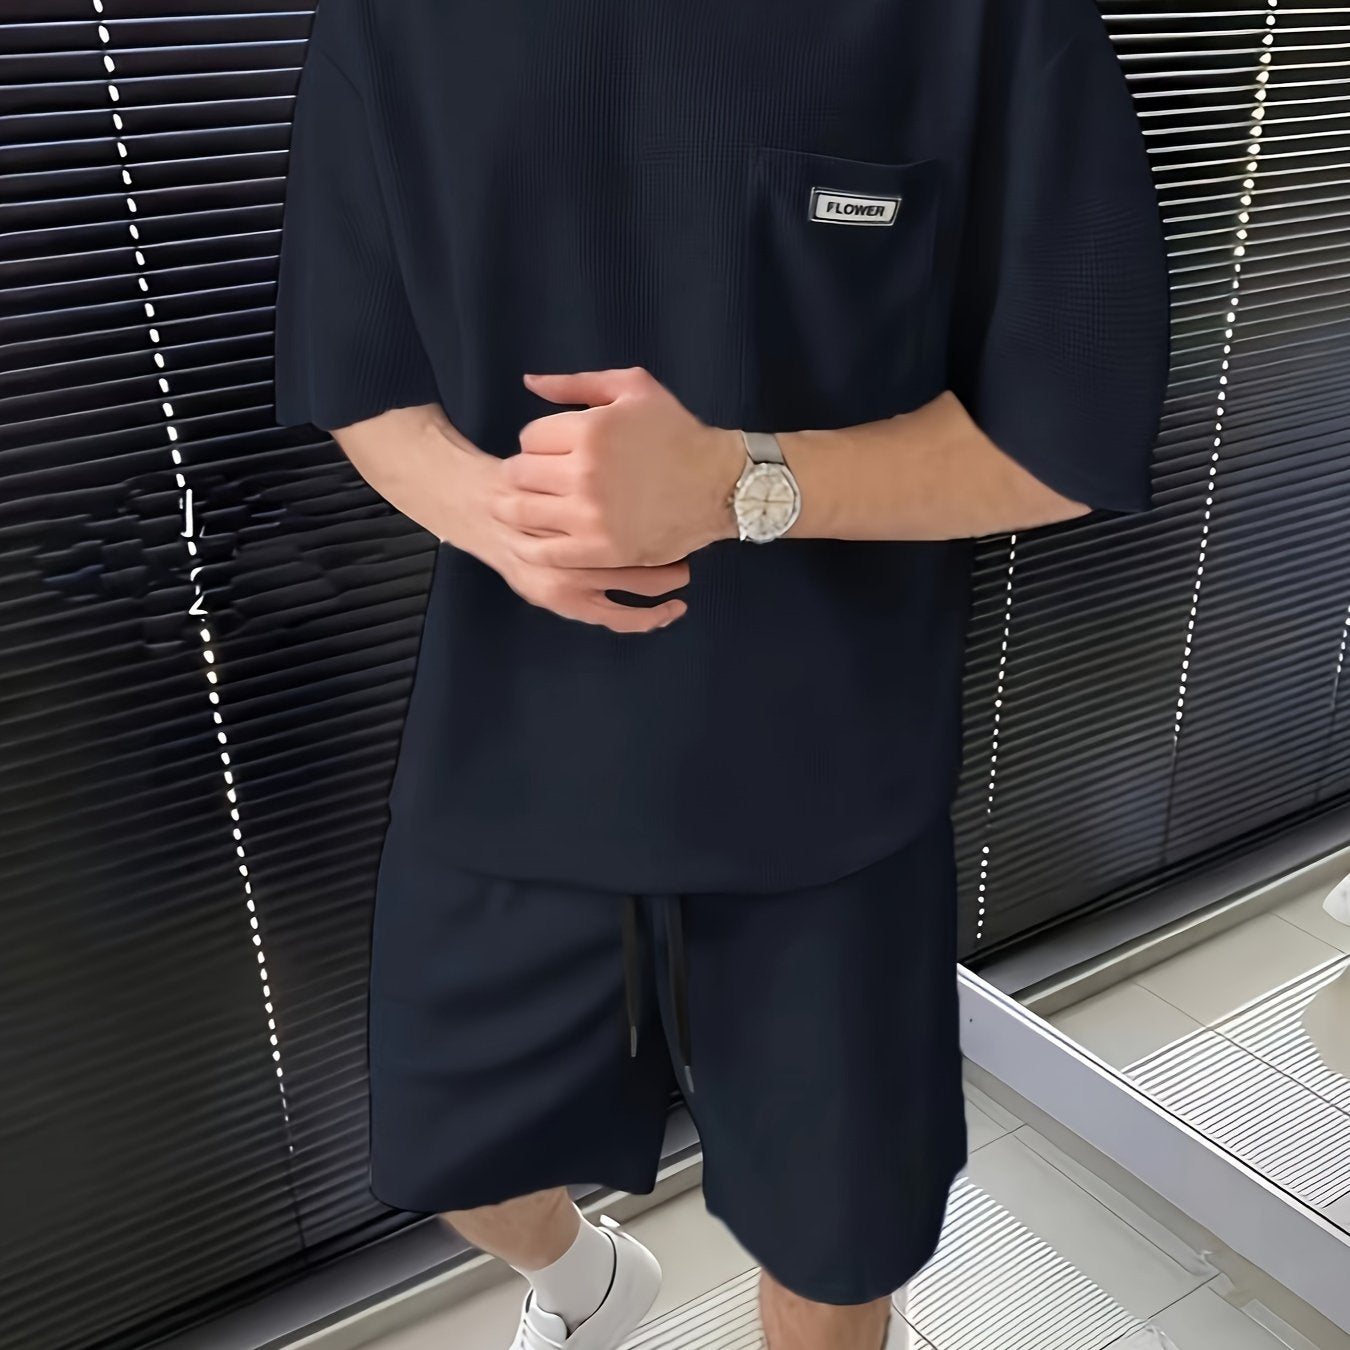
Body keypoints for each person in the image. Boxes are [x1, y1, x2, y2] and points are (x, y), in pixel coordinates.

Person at [271, 0, 1171, 1344]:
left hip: (836, 769)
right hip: (520, 732)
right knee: (452, 1157)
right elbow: (360, 369)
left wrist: (741, 482)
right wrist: (498, 518)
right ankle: (587, 1282)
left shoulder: (991, 24)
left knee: (836, 1241)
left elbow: (1065, 440)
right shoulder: (398, 22)